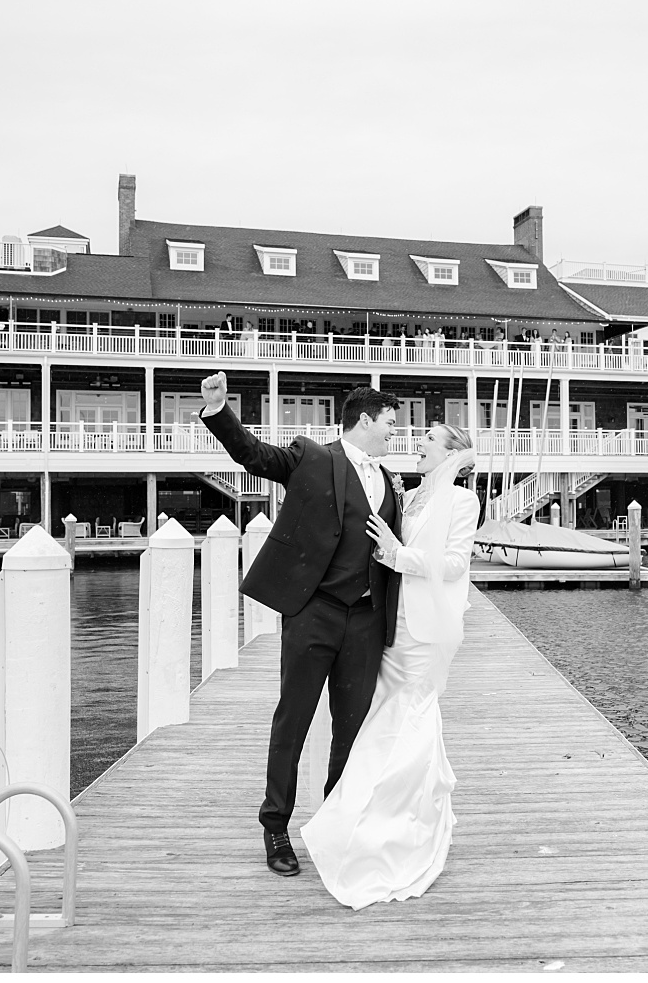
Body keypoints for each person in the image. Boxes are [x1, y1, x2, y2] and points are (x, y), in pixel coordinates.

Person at [198, 373, 403, 877]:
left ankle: (338, 821)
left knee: (351, 727)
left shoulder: (387, 477)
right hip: (315, 612)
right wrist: (219, 409)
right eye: (389, 423)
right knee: (293, 721)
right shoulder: (313, 457)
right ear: (364, 420)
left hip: (366, 618)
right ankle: (275, 828)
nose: (393, 432)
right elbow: (255, 455)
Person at [301, 424, 479, 909]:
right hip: (389, 624)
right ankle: (368, 819)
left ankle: (402, 833)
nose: (418, 446)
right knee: (380, 720)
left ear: (452, 454)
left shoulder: (462, 503)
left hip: (425, 633)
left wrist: (400, 554)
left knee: (408, 722)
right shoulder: (410, 495)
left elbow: (454, 565)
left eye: (428, 442)